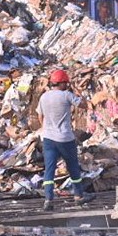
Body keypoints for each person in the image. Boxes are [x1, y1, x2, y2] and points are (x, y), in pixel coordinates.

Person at [37, 69, 95, 211]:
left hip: (48, 139)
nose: (67, 85)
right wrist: (78, 91)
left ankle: (48, 200)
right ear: (62, 83)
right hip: (65, 138)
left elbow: (40, 116)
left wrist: (46, 128)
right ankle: (79, 196)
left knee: (49, 170)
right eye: (66, 83)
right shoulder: (66, 95)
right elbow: (84, 105)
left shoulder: (44, 97)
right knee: (73, 167)